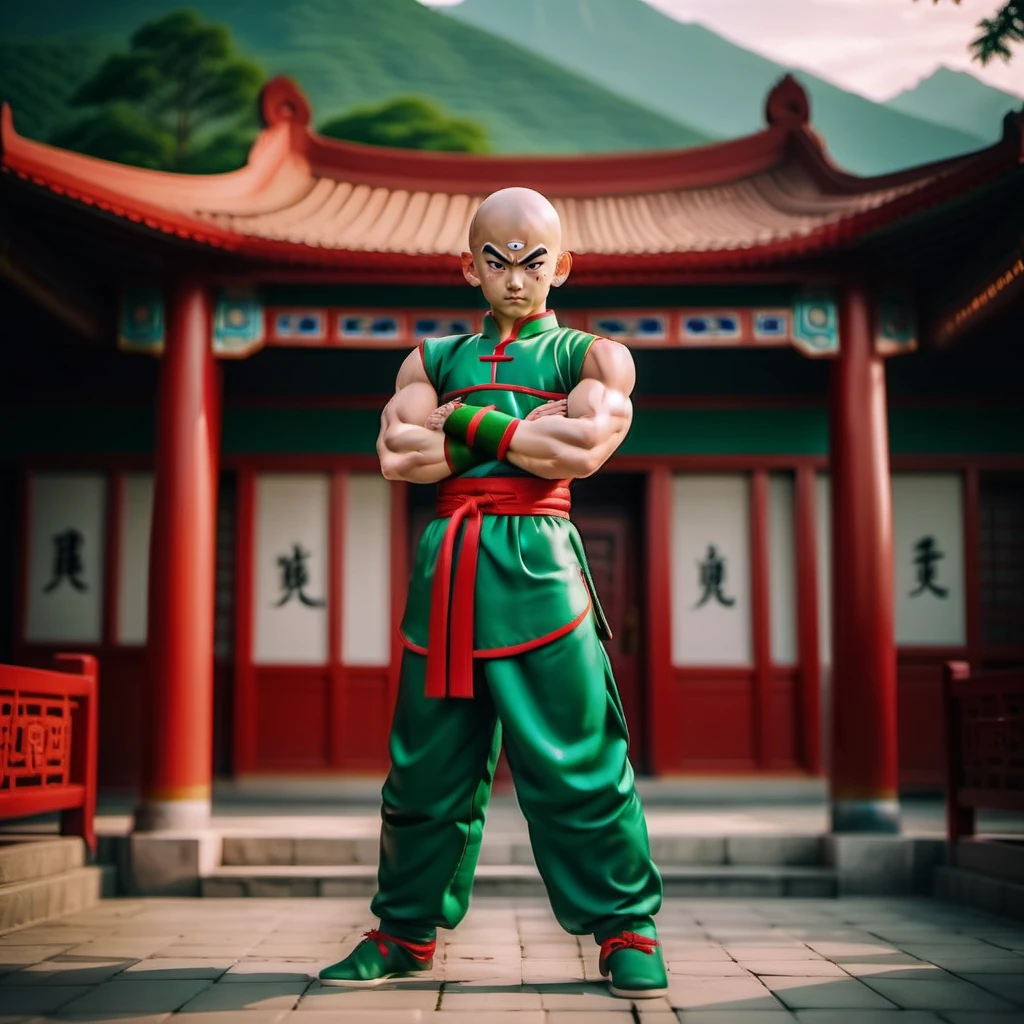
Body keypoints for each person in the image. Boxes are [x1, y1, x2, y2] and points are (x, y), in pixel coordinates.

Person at [319, 187, 665, 999]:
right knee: (424, 764)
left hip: (542, 563)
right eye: (498, 261)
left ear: (563, 266)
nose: (516, 278)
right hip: (446, 563)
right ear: (467, 266)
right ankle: (403, 931)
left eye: (534, 261)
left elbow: (579, 448)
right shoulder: (429, 359)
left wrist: (466, 425)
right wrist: (518, 434)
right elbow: (401, 457)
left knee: (577, 755)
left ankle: (625, 929)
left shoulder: (593, 357)